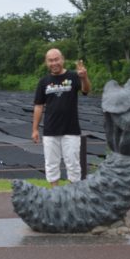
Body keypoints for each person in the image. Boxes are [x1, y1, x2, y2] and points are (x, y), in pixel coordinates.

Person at [32, 48, 91, 187]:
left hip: (71, 130)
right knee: (51, 164)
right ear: (46, 62)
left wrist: (84, 77)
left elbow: (86, 90)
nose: (54, 63)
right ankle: (55, 194)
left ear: (62, 59)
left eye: (56, 59)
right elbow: (38, 106)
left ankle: (72, 194)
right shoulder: (44, 81)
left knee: (73, 165)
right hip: (50, 130)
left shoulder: (73, 76)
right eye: (50, 60)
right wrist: (35, 129)